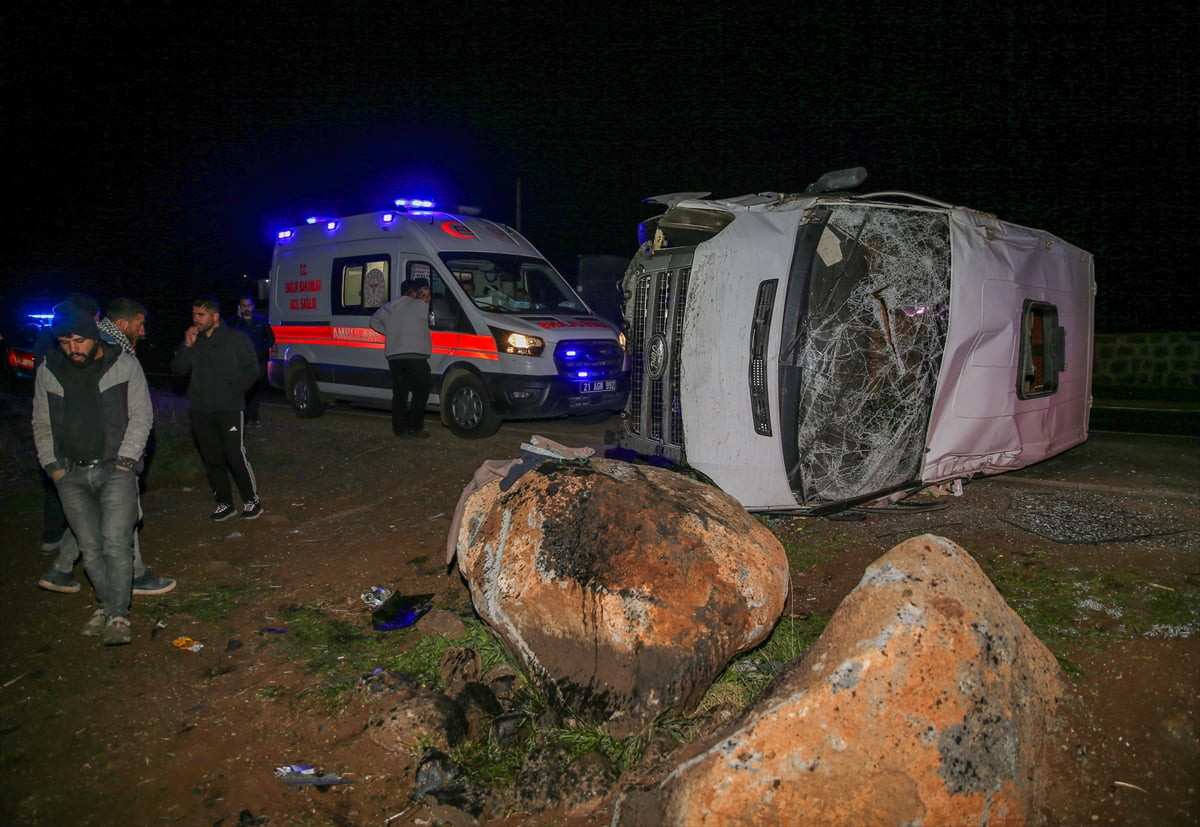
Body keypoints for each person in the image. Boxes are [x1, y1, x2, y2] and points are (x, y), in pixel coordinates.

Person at [38, 297, 176, 596]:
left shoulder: (100, 344)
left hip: (112, 453)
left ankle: (61, 570)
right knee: (123, 517)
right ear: (122, 323)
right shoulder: (106, 348)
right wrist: (126, 457)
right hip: (109, 452)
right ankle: (134, 576)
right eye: (139, 324)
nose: (144, 330)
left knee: (98, 517)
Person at [32, 302, 152, 645]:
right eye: (65, 342)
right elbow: (41, 420)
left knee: (116, 543)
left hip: (115, 469)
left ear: (93, 336)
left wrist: (127, 461)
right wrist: (53, 466)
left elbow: (141, 416)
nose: (73, 349)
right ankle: (107, 604)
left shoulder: (123, 364)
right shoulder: (49, 370)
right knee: (89, 547)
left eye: (80, 340)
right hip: (71, 473)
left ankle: (118, 615)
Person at [170, 296, 263, 520]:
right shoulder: (195, 341)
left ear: (215, 316)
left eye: (201, 315)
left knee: (234, 454)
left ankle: (252, 501)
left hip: (229, 407)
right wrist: (186, 345)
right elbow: (178, 369)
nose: (196, 320)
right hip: (200, 408)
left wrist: (235, 391)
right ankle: (224, 503)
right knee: (212, 457)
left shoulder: (235, 338)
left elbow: (252, 369)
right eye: (194, 315)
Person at [369, 278, 432, 438]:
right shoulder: (420, 305)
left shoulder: (391, 306)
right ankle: (415, 427)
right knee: (421, 391)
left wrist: (390, 333)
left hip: (395, 356)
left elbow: (373, 321)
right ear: (413, 292)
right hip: (415, 356)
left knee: (400, 394)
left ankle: (400, 430)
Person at [227, 295, 274, 426]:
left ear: (253, 306)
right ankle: (245, 416)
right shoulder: (233, 322)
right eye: (243, 306)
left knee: (257, 390)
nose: (246, 308)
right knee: (244, 390)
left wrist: (262, 350)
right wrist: (238, 319)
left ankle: (254, 415)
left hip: (259, 361)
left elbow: (270, 339)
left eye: (248, 305)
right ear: (239, 307)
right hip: (241, 363)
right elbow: (228, 338)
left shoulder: (261, 321)